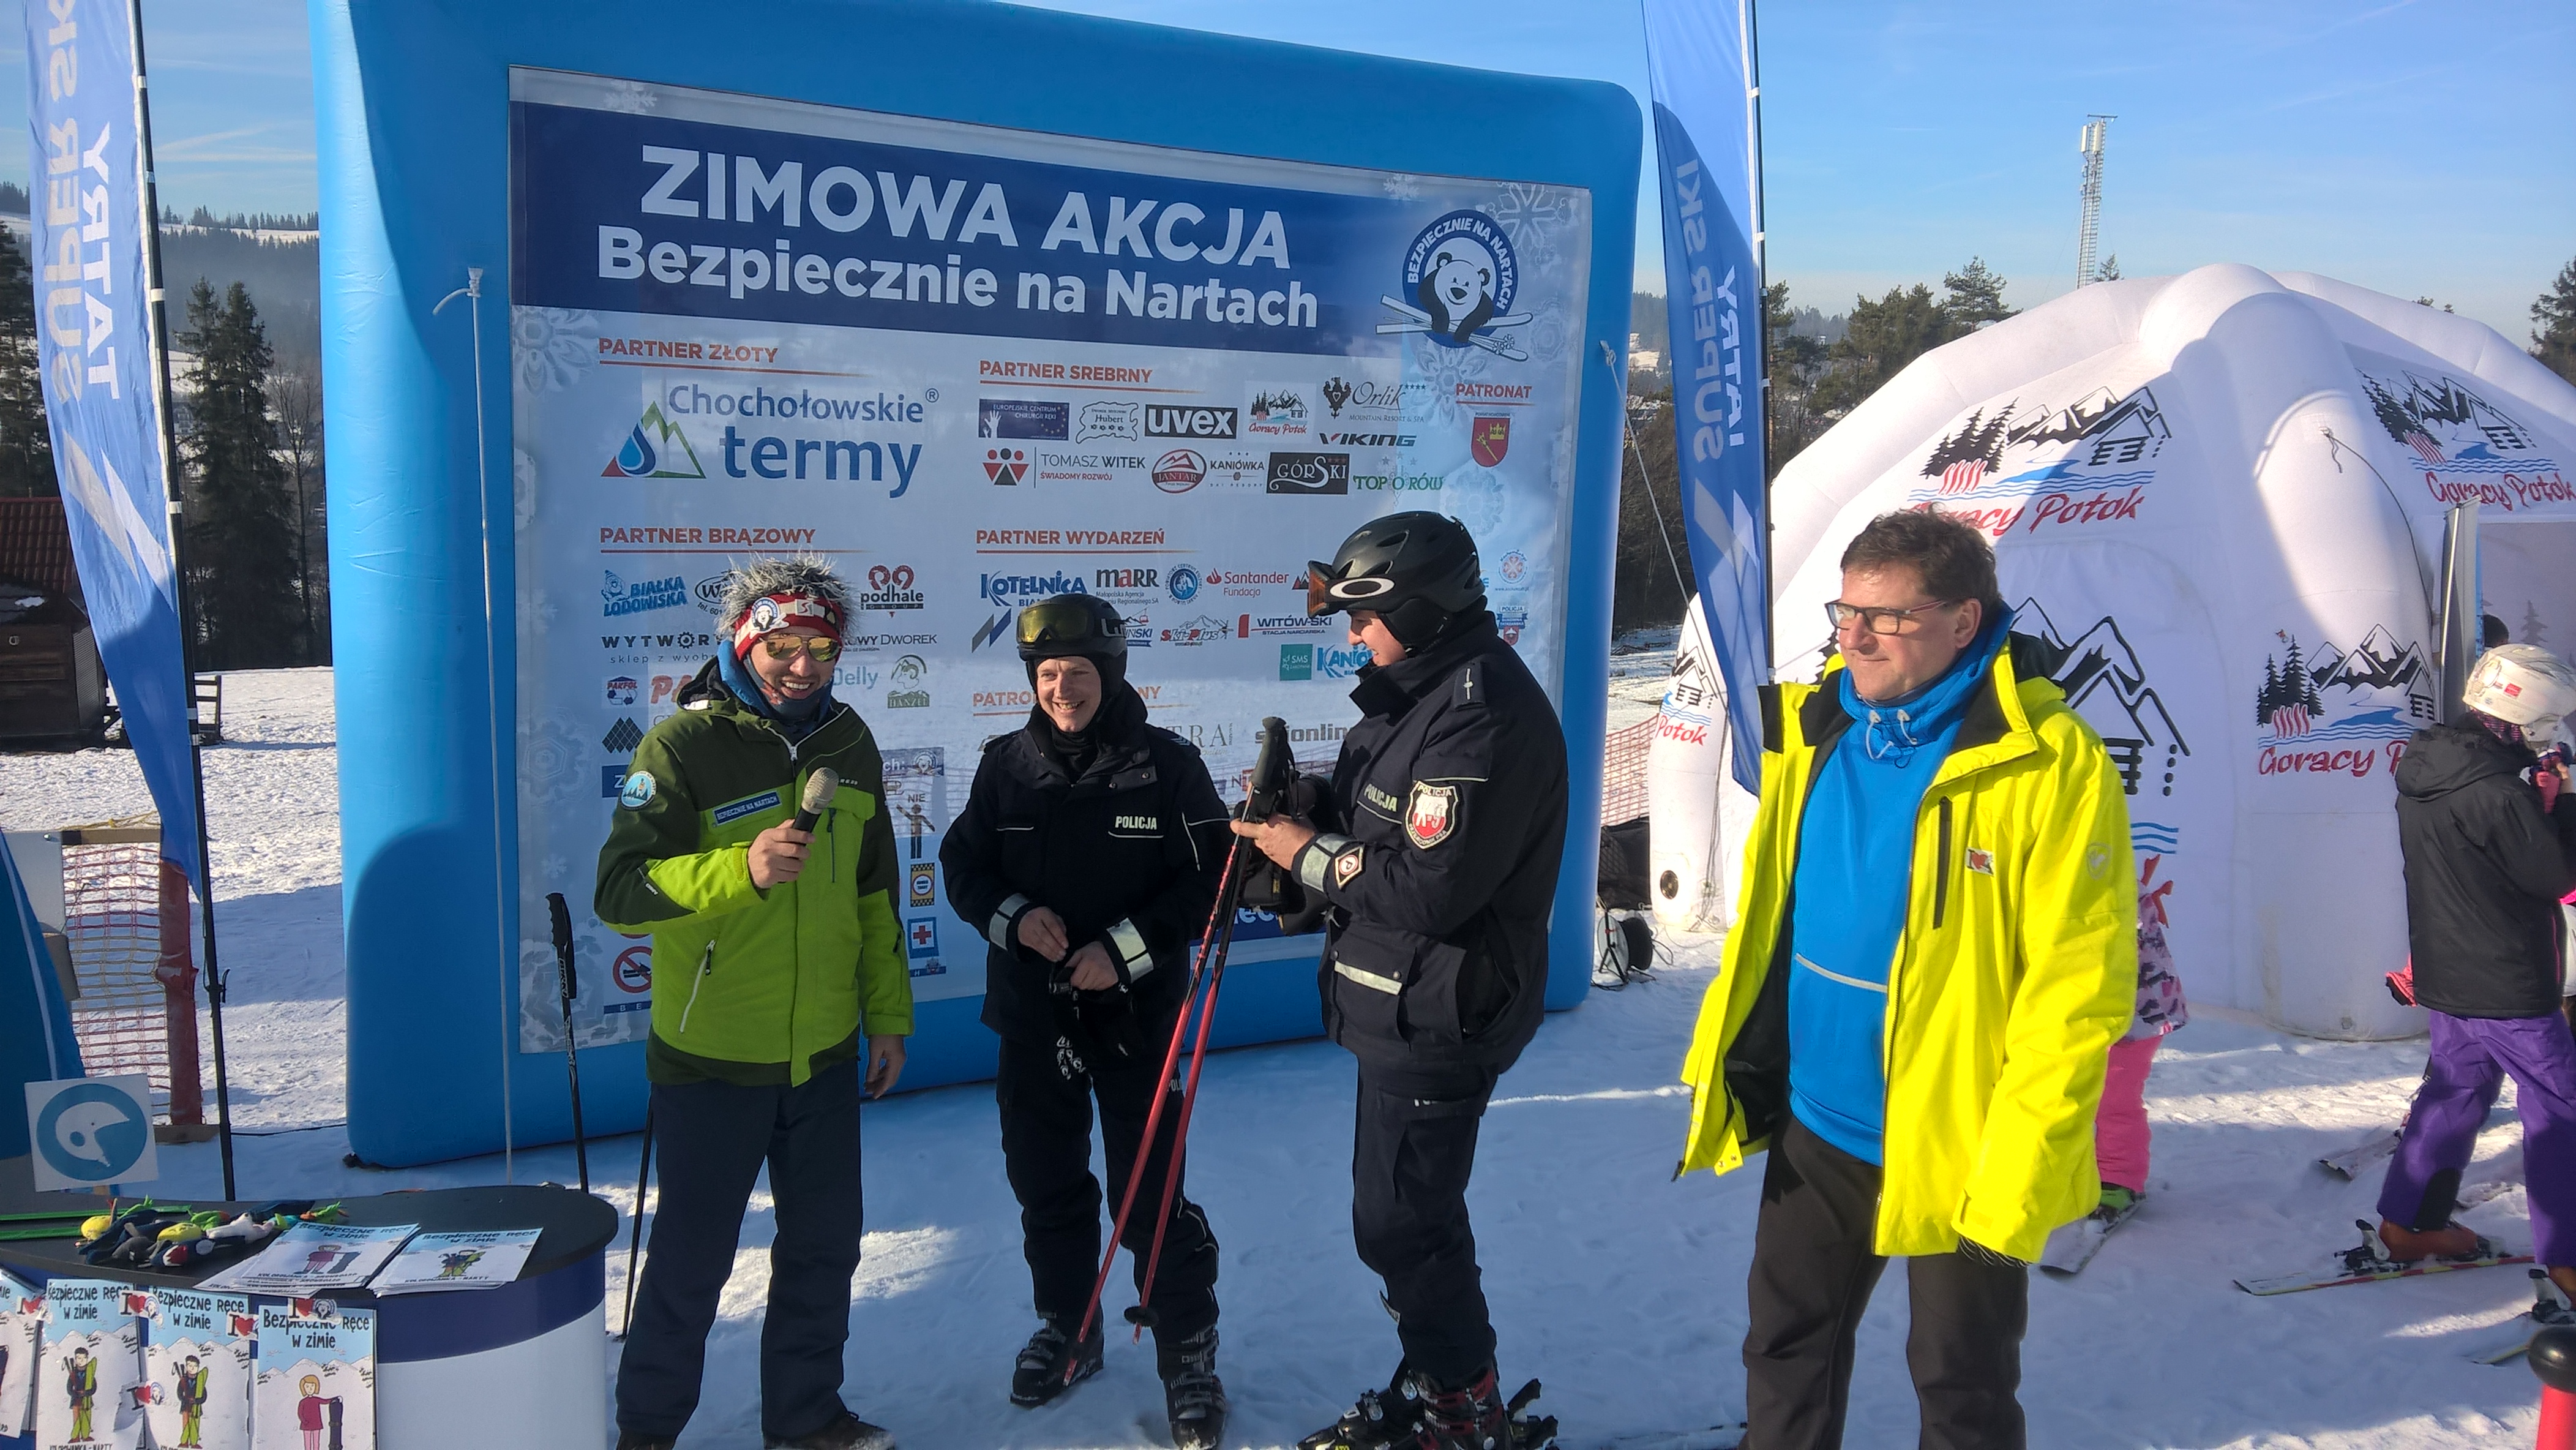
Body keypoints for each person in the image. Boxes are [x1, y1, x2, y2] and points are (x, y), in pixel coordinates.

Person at [1674, 509, 2134, 1450]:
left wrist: (2016, 1176)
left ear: (1964, 622)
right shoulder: (1818, 725)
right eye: (1846, 613)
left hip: (1962, 1140)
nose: (1855, 637)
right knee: (1785, 1346)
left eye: (1886, 617)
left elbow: (2076, 997)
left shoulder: (2048, 763)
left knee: (1961, 1384)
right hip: (1818, 1119)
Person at [1228, 513, 1569, 1450]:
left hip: (1444, 1007)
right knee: (1397, 1221)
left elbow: (1431, 888)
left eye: (1363, 618)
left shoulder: (1481, 715)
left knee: (1404, 1227)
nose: (1352, 637)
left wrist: (1307, 855)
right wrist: (1306, 809)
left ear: (1420, 610)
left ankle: (1460, 1405)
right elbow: (1380, 817)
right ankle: (1440, 1380)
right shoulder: (1415, 694)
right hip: (1398, 997)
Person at [597, 557, 912, 1450]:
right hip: (711, 1059)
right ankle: (647, 1431)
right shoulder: (681, 747)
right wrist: (740, 868)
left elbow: (874, 897)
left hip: (824, 1055)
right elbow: (620, 890)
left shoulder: (850, 741)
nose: (802, 667)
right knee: (691, 1263)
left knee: (823, 1250)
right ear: (745, 644)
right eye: (782, 648)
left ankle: (806, 1418)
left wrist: (887, 1017)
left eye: (821, 649)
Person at [939, 593, 1235, 1449]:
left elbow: (1211, 882)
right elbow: (964, 867)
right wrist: (1014, 918)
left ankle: (1188, 1355)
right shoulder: (1006, 765)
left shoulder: (1165, 765)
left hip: (1136, 1020)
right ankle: (1068, 1327)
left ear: (1110, 673)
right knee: (1045, 1183)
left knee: (1150, 1193)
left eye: (1077, 672)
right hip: (1034, 1017)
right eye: (1046, 673)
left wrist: (1124, 950)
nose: (1061, 688)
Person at [2376, 644, 2576, 1295]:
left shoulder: (2430, 767)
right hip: (2507, 981)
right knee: (2560, 1109)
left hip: (2447, 972)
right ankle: (2568, 1263)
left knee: (2454, 1091)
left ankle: (2409, 1222)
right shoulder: (2498, 793)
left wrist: (2537, 800)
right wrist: (2565, 805)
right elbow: (2557, 877)